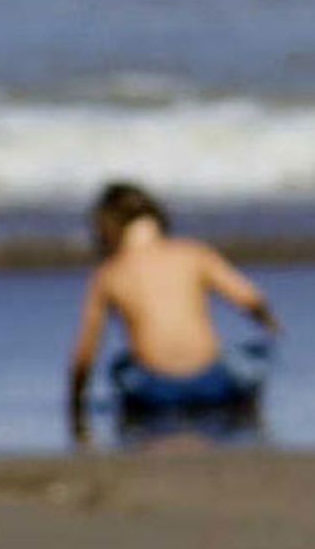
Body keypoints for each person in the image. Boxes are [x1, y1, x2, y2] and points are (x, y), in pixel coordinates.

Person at [67, 182, 280, 448]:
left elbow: (85, 353)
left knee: (121, 367)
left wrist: (75, 404)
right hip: (214, 382)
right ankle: (244, 409)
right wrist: (270, 323)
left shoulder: (110, 273)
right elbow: (251, 298)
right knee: (248, 356)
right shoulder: (194, 254)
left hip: (156, 391)